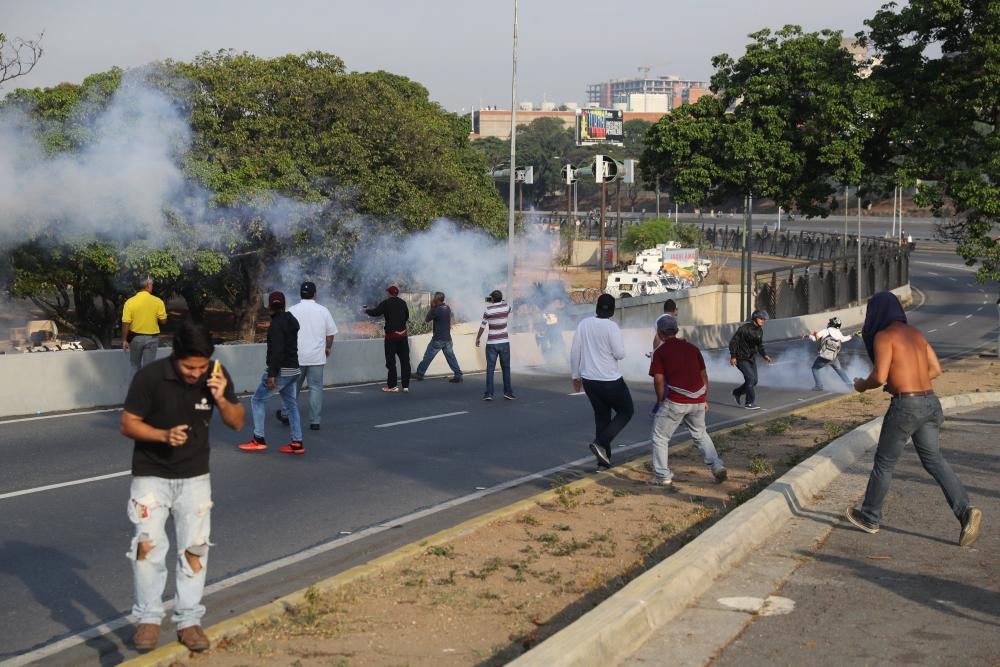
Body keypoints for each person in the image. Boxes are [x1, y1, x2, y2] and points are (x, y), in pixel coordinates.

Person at [120, 320, 244, 652]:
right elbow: (127, 423)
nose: (195, 373)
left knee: (194, 549)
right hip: (151, 476)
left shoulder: (215, 375)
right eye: (190, 367)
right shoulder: (150, 377)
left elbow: (236, 422)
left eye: (201, 367)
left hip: (194, 478)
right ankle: (148, 618)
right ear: (176, 358)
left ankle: (189, 621)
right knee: (147, 548)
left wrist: (220, 397)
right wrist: (162, 435)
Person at [846, 292, 981, 546]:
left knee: (884, 462)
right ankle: (965, 512)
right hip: (930, 401)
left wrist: (861, 386)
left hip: (906, 406)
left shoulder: (884, 336)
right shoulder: (916, 334)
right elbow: (935, 370)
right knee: (935, 460)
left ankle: (871, 516)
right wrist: (905, 381)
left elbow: (878, 376)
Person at [649, 314, 727, 487]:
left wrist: (661, 401)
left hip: (676, 401)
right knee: (700, 434)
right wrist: (703, 398)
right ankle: (717, 466)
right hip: (698, 400)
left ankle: (662, 476)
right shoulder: (693, 349)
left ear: (660, 333)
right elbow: (704, 376)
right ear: (676, 331)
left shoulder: (660, 352)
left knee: (660, 437)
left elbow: (659, 380)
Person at [571, 294, 634, 469]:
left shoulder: (584, 324)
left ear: (597, 307)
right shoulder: (611, 327)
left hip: (589, 380)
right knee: (626, 411)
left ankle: (603, 460)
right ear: (612, 310)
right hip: (610, 379)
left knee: (602, 417)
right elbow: (620, 354)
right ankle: (601, 443)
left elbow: (575, 351)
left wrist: (575, 376)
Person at [238, 291, 304, 454]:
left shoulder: (276, 325)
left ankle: (258, 439)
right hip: (294, 369)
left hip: (281, 371)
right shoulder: (291, 321)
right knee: (291, 405)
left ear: (269, 307)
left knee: (257, 400)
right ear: (284, 305)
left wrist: (272, 374)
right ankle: (297, 442)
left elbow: (277, 351)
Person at [278, 281, 338, 431]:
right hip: (317, 357)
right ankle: (315, 421)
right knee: (316, 388)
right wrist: (328, 347)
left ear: (300, 294)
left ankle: (286, 415)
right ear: (315, 294)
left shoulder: (292, 310)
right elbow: (330, 334)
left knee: (292, 387)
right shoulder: (323, 311)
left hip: (296, 356)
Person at [364, 285, 411, 393]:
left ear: (389, 294)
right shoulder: (403, 303)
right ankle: (405, 386)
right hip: (403, 336)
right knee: (405, 361)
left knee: (391, 362)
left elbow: (376, 312)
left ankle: (392, 386)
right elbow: (406, 316)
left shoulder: (386, 303)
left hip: (391, 337)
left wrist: (366, 311)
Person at [728, 310, 773, 410]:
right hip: (741, 358)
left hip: (751, 358)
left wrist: (765, 355)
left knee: (754, 381)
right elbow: (733, 342)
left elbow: (759, 346)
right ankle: (749, 403)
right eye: (761, 318)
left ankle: (737, 392)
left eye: (764, 319)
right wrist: (733, 356)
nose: (763, 321)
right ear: (755, 318)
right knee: (750, 379)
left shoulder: (760, 331)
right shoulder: (744, 329)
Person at [414, 291, 463, 383]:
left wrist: (432, 308)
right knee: (451, 357)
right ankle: (458, 374)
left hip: (438, 339)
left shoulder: (437, 309)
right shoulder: (447, 308)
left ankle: (420, 374)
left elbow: (427, 319)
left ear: (436, 299)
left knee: (428, 356)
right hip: (447, 339)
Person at [122, 276, 168, 373]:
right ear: (147, 286)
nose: (152, 286)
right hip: (152, 339)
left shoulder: (130, 302)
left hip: (135, 339)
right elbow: (163, 321)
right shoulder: (158, 301)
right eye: (151, 284)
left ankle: (135, 387)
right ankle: (147, 387)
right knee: (149, 368)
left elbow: (126, 323)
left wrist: (124, 340)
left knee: (135, 365)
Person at [476, 289, 514, 400]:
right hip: (504, 342)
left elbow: (482, 326)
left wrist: (478, 338)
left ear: (491, 299)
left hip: (491, 343)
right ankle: (508, 392)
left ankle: (489, 394)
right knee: (506, 368)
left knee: (490, 369)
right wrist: (500, 300)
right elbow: (509, 307)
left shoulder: (488, 310)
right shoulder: (506, 307)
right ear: (501, 298)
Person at [807, 316, 853, 391]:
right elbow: (844, 339)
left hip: (824, 356)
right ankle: (850, 385)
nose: (829, 323)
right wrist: (852, 335)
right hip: (834, 357)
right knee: (840, 370)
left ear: (832, 324)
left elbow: (814, 338)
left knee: (814, 368)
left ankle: (819, 386)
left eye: (830, 322)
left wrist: (808, 335)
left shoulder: (825, 331)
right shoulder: (839, 333)